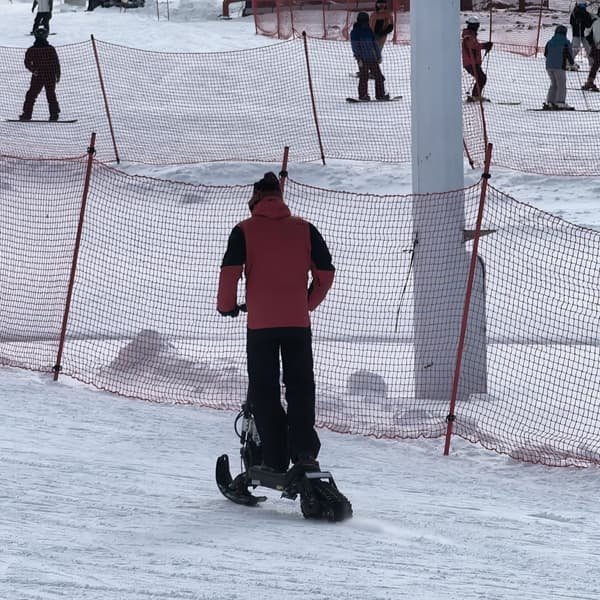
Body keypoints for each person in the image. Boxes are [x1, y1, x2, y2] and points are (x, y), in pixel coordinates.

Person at [217, 172, 335, 472]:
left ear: (255, 198)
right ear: (280, 198)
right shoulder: (305, 228)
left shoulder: (244, 230)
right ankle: (304, 453)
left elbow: (230, 272)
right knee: (300, 387)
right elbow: (326, 273)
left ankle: (274, 458)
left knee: (264, 389)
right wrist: (305, 304)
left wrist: (227, 307)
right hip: (297, 324)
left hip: (261, 326)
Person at [19, 27, 61, 122]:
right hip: (47, 75)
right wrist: (57, 74)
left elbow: (27, 62)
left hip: (40, 75)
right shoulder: (49, 49)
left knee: (33, 95)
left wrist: (33, 70)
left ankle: (27, 114)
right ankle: (54, 114)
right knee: (49, 94)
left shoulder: (33, 49)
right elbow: (56, 63)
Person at [350, 11, 389, 101]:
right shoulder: (355, 32)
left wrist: (378, 56)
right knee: (364, 77)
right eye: (363, 21)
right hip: (362, 59)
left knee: (379, 76)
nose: (365, 23)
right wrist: (358, 58)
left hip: (372, 58)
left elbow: (375, 44)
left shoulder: (369, 30)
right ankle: (363, 95)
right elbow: (355, 46)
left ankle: (380, 95)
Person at [462, 15, 493, 102]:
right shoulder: (468, 36)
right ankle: (475, 96)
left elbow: (474, 46)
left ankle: (475, 96)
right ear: (473, 26)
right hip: (470, 63)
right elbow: (472, 45)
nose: (478, 28)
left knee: (481, 78)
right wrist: (484, 45)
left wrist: (485, 46)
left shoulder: (471, 35)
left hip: (473, 62)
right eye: (477, 26)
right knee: (481, 78)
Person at [543, 24, 575, 110]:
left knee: (554, 84)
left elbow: (545, 53)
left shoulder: (550, 41)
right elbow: (569, 54)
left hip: (549, 66)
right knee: (561, 85)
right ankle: (560, 102)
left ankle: (550, 102)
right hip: (559, 66)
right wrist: (572, 63)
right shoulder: (566, 42)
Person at [569, 2, 593, 70]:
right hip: (577, 34)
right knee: (575, 49)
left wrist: (584, 21)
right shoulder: (574, 13)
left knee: (588, 49)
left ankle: (592, 65)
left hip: (585, 34)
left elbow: (589, 24)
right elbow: (572, 23)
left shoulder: (586, 14)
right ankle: (569, 63)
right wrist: (576, 22)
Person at [582, 7, 600, 91]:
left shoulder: (594, 21)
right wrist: (592, 42)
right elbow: (586, 32)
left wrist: (592, 43)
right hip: (597, 47)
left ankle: (590, 81)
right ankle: (590, 82)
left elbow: (586, 33)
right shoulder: (595, 22)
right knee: (596, 65)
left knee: (595, 65)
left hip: (596, 47)